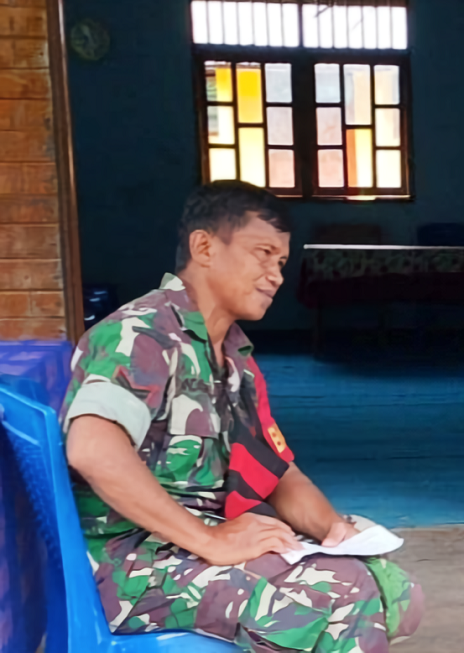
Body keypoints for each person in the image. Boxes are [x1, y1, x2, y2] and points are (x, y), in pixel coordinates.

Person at [60, 182, 424, 653]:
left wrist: (334, 532)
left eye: (281, 262)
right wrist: (210, 540)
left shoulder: (235, 357)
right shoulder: (142, 334)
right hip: (128, 563)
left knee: (395, 591)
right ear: (205, 247)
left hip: (194, 544)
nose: (275, 275)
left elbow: (276, 471)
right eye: (262, 254)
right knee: (340, 597)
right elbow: (93, 450)